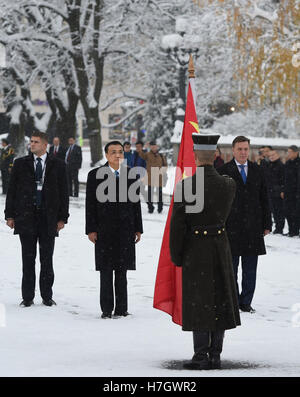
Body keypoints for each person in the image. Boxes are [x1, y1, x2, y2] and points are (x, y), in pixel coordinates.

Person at [170, 133, 241, 370]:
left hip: (195, 248)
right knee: (219, 298)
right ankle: (215, 354)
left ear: (195, 156)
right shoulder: (228, 184)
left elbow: (178, 225)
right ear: (216, 156)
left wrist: (176, 254)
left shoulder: (186, 186)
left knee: (199, 300)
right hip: (219, 246)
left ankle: (200, 354)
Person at [4, 131, 69, 307]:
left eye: (35, 142)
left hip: (48, 219)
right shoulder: (20, 164)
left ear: (44, 145)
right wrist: (9, 215)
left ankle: (47, 296)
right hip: (26, 218)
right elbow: (12, 191)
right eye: (31, 142)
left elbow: (64, 193)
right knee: (28, 259)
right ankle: (27, 297)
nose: (31, 144)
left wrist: (63, 218)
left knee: (47, 259)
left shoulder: (58, 165)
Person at [85, 141, 143, 319]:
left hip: (125, 229)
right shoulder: (95, 175)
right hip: (104, 229)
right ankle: (107, 309)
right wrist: (91, 229)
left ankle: (121, 308)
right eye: (113, 152)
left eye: (120, 152)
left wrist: (138, 228)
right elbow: (90, 205)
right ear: (106, 155)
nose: (117, 155)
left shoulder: (131, 175)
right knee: (105, 270)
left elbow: (136, 204)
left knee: (122, 270)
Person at [218, 136, 271, 313]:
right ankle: (233, 301)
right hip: (231, 227)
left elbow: (264, 198)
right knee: (231, 269)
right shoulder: (223, 170)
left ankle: (246, 302)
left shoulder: (257, 171)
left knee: (250, 269)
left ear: (249, 150)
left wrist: (266, 223)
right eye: (239, 149)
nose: (243, 152)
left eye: (246, 149)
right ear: (233, 150)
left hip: (253, 228)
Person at [137, 140, 167, 213]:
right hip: (150, 177)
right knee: (150, 194)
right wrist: (144, 148)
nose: (154, 147)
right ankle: (150, 207)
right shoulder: (147, 154)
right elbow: (141, 154)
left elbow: (165, 165)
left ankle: (160, 208)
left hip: (159, 177)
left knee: (159, 193)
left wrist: (162, 172)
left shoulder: (161, 155)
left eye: (155, 146)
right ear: (150, 147)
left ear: (157, 147)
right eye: (152, 146)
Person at [283, 145, 300, 237]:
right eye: (288, 152)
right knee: (288, 212)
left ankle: (295, 231)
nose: (288, 154)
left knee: (296, 213)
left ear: (296, 152)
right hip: (288, 192)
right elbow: (285, 178)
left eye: (290, 152)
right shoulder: (288, 163)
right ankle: (291, 230)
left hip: (296, 192)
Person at [268, 150, 285, 234]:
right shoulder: (269, 165)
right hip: (271, 191)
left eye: (273, 155)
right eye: (270, 155)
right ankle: (277, 228)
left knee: (279, 211)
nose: (271, 157)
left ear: (277, 155)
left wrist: (282, 190)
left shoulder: (281, 166)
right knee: (274, 211)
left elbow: (283, 180)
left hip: (278, 192)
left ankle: (280, 228)